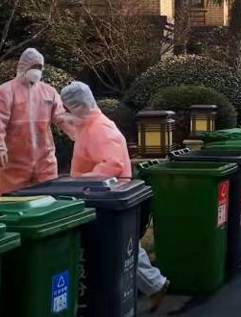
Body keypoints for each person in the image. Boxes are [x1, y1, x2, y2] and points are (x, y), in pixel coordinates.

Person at [59, 82, 171, 311]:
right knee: (123, 246)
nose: (69, 110)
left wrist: (81, 181)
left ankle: (155, 285)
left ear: (79, 105)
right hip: (105, 196)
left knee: (119, 247)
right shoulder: (90, 125)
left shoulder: (99, 128)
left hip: (106, 195)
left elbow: (112, 164)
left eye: (71, 106)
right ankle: (155, 284)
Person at [0, 48, 71, 196]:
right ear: (24, 66)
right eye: (34, 66)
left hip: (45, 161)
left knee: (47, 200)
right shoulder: (5, 91)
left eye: (39, 67)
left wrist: (79, 131)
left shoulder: (49, 92)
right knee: (11, 201)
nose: (37, 70)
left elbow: (61, 117)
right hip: (13, 162)